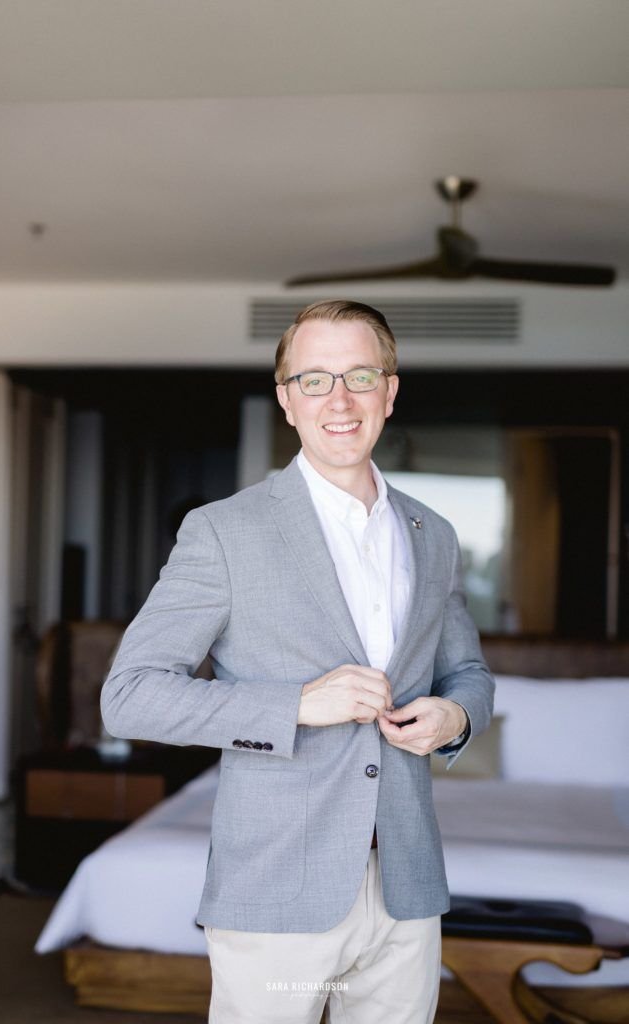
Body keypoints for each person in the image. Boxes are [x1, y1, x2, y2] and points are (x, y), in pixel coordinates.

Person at [101, 299, 494, 1024]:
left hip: (406, 885)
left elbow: (466, 673)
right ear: (286, 399)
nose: (338, 400)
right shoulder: (222, 531)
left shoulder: (433, 533)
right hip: (277, 883)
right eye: (313, 379)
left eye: (358, 376)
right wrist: (292, 706)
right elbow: (129, 696)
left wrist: (455, 713)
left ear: (390, 390)